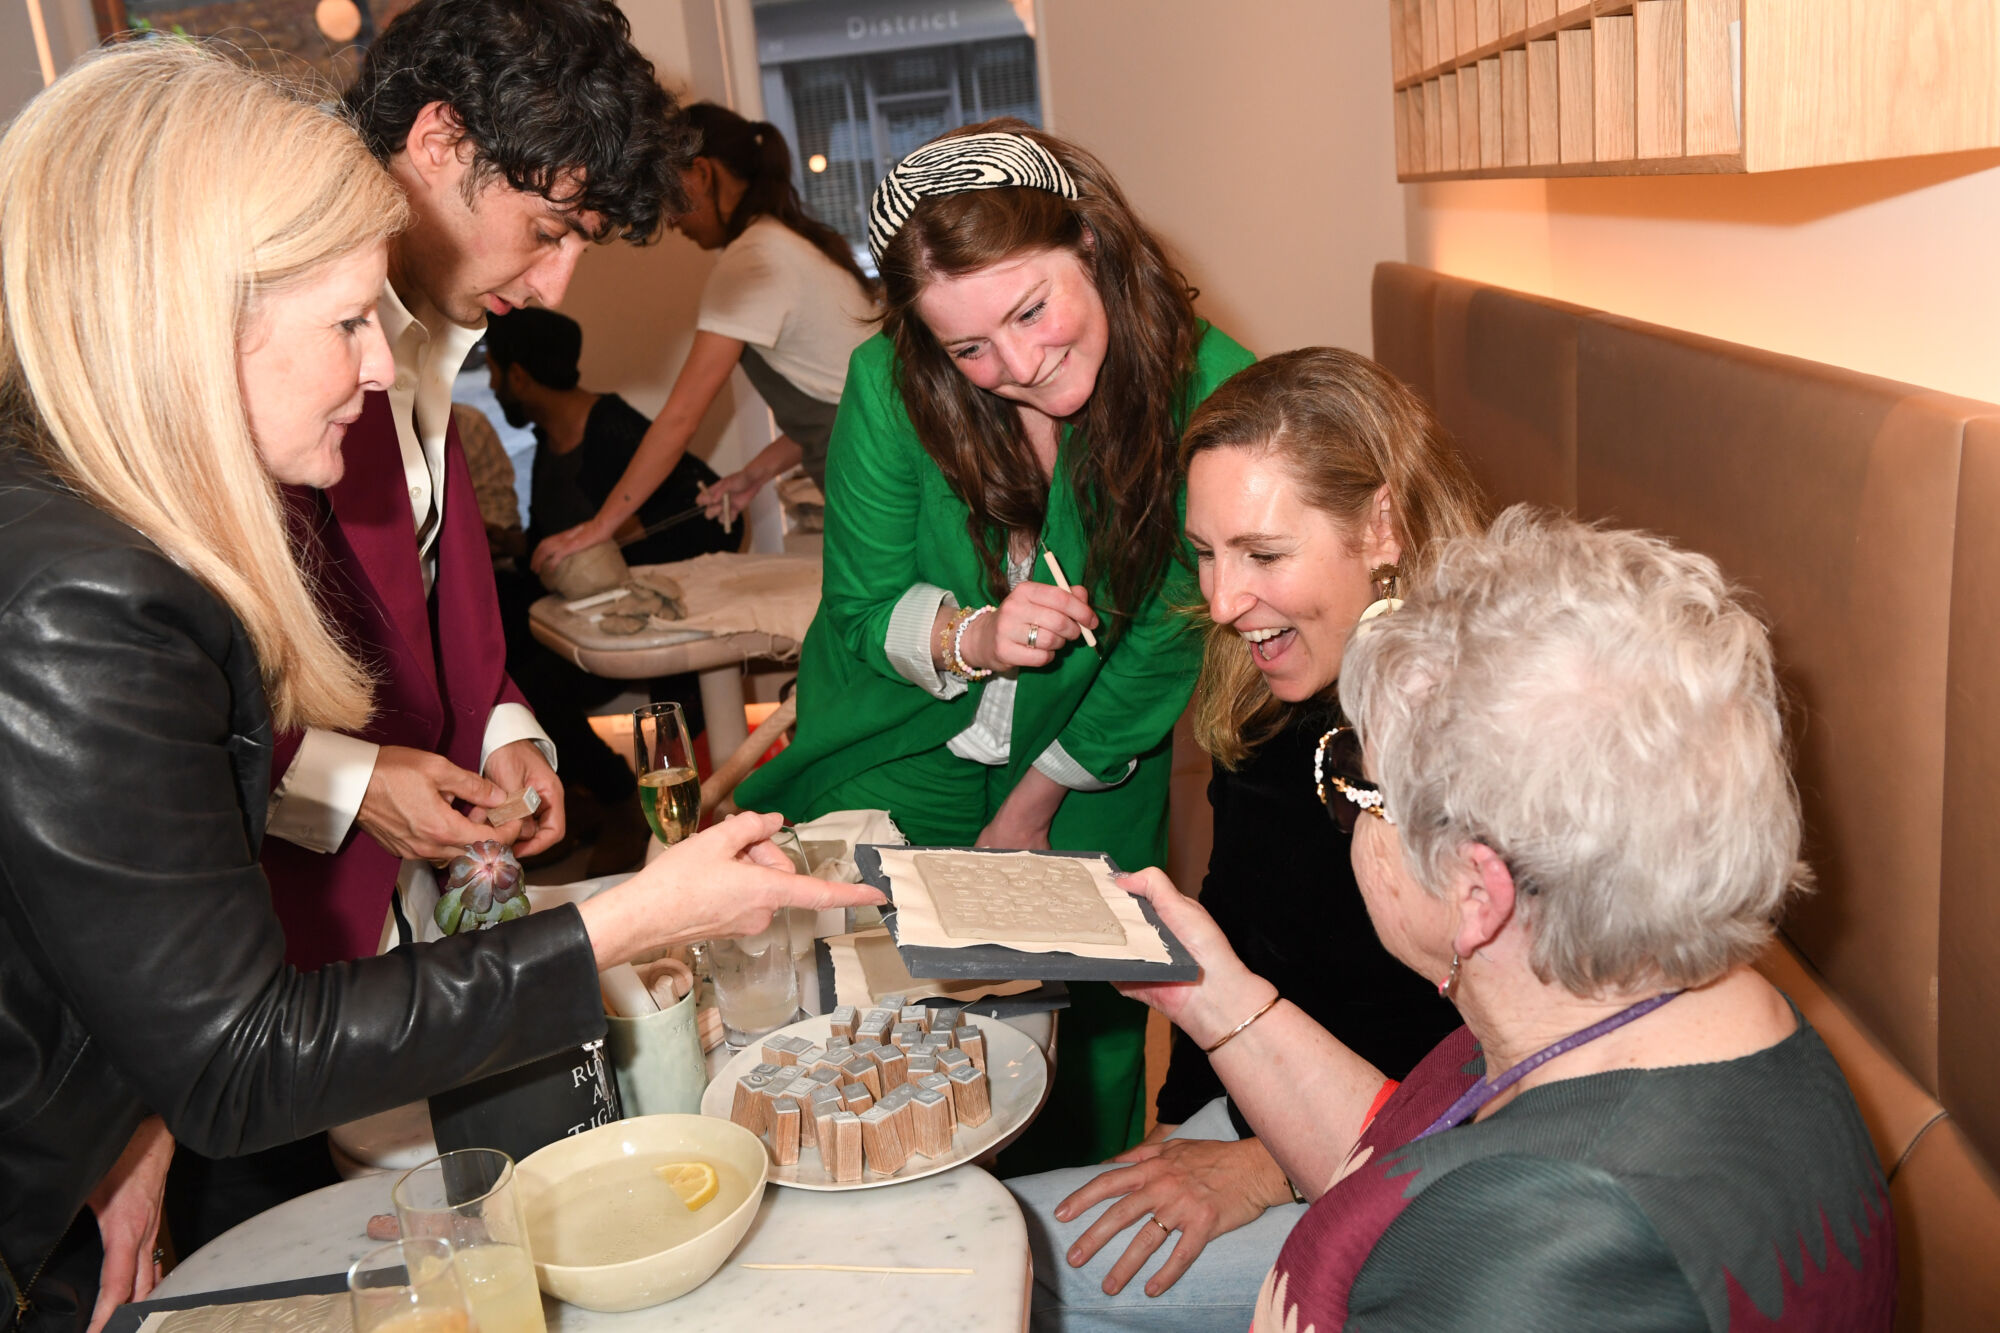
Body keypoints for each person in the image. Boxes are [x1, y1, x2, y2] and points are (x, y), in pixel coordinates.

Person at [0, 44, 880, 1333]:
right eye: (348, 323)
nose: (378, 368)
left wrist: (124, 1110)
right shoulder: (90, 602)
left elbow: (113, 926)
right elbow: (241, 1054)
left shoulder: (85, 533)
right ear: (190, 314)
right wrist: (629, 919)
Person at [1109, 509, 1895, 1329]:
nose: (1347, 813)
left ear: (1477, 895)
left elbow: (1468, 1213)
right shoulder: (1629, 989)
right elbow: (1417, 1159)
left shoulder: (1544, 1259)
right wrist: (1212, 996)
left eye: (1360, 786)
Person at [733, 122, 1257, 1170]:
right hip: (900, 729)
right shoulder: (888, 381)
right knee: (878, 1020)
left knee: (1085, 1027)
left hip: (1097, 741)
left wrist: (1036, 799)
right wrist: (973, 632)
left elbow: (1168, 627)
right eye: (969, 347)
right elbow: (859, 607)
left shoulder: (1212, 385)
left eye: (1031, 309)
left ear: (1095, 249)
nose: (1015, 365)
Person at [1005, 348, 1485, 1329]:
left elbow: (1492, 1058)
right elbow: (1237, 912)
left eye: (1261, 555)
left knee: (995, 1260)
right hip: (1266, 1088)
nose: (1221, 602)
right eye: (1204, 552)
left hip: (1409, 1159)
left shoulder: (1458, 729)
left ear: (1382, 526)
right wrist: (1182, 1119)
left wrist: (1259, 1168)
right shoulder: (1268, 679)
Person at [259, 0, 696, 974]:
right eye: (547, 231)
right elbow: (189, 669)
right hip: (282, 920)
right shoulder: (271, 317)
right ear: (439, 139)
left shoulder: (429, 322)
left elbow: (424, 602)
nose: (556, 286)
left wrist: (501, 727)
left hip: (419, 891)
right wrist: (350, 782)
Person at [529, 102, 876, 573]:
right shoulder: (780, 242)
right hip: (885, 469)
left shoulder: (751, 261)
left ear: (703, 173)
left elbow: (680, 419)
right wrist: (754, 475)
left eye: (672, 195)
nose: (671, 220)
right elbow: (831, 400)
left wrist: (601, 527)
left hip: (881, 480)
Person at [484, 306, 733, 872]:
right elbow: (560, 539)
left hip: (639, 623)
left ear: (519, 375)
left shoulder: (612, 428)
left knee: (527, 687)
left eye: (496, 373)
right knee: (499, 661)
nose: (494, 387)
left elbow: (708, 516)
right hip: (578, 616)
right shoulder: (550, 438)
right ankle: (580, 800)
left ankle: (621, 803)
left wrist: (620, 539)